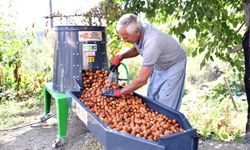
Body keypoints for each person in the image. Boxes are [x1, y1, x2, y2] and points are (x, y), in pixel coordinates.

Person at [107, 13, 186, 111]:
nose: (124, 40)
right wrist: (121, 57)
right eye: (122, 37)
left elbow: (141, 80)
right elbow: (137, 48)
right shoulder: (139, 28)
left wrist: (119, 92)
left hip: (174, 64)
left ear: (137, 32)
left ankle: (167, 123)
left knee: (166, 102)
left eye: (126, 38)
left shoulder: (152, 43)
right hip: (159, 63)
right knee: (152, 96)